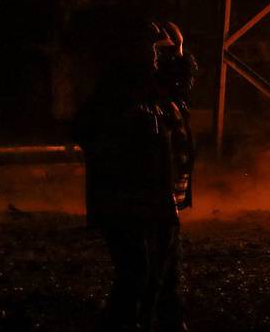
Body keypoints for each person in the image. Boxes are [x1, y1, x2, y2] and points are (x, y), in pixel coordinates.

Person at [71, 18, 197, 332]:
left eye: (157, 48)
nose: (156, 54)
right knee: (138, 271)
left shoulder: (152, 90)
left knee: (164, 271)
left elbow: (179, 89)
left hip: (158, 202)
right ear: (129, 53)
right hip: (127, 203)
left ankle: (162, 321)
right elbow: (89, 131)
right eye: (149, 48)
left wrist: (180, 52)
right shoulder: (117, 95)